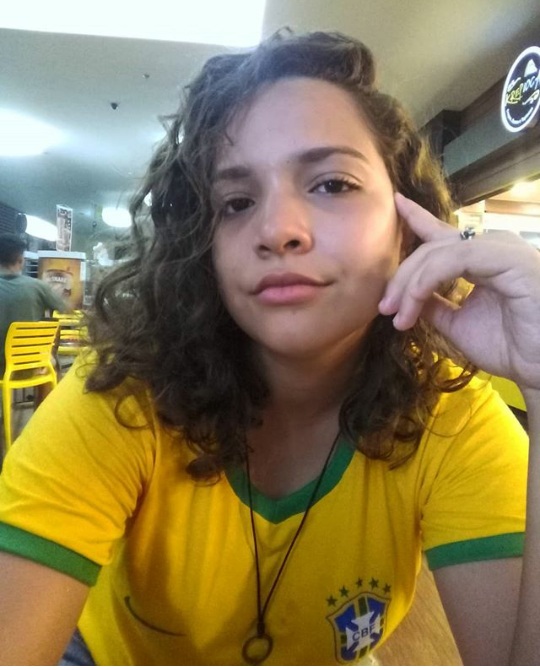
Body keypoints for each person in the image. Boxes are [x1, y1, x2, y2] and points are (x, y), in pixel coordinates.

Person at [0, 30, 538, 666]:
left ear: (406, 230)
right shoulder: (121, 398)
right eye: (235, 202)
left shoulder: (452, 421)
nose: (277, 230)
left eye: (332, 184)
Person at [0, 234, 67, 375]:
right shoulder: (38, 286)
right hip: (28, 368)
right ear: (20, 260)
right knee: (52, 356)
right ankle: (48, 391)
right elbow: (65, 309)